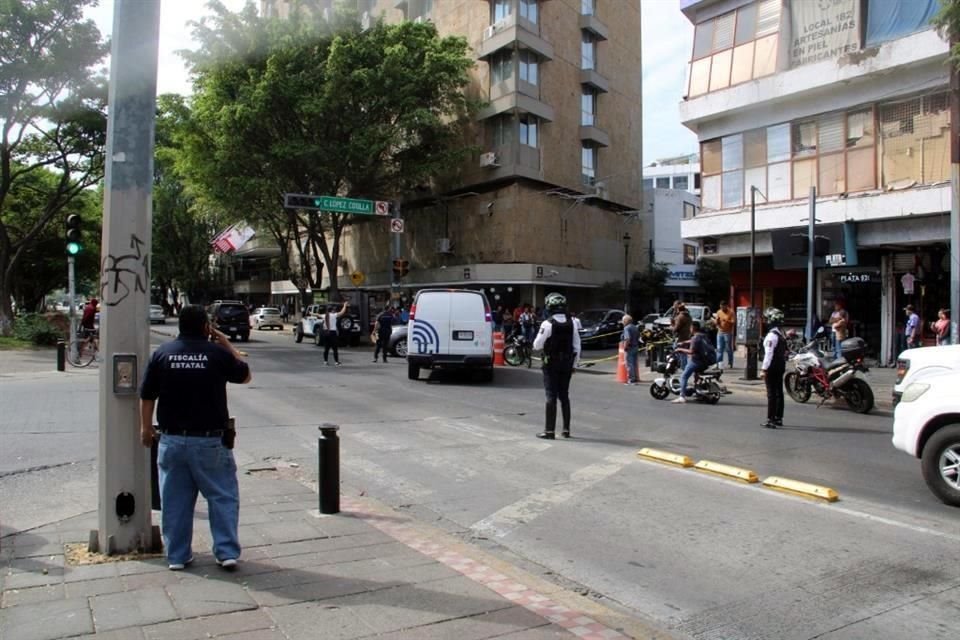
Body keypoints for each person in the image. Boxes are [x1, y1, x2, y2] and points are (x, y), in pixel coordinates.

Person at [138, 304, 251, 571]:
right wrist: (226, 345)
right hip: (210, 441)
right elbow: (245, 375)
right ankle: (225, 552)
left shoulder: (163, 354)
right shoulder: (216, 354)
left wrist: (145, 428)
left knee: (174, 500)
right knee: (222, 496)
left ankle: (177, 555)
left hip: (172, 440)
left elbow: (147, 395)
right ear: (206, 327)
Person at [532, 293, 581, 439]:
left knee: (551, 396)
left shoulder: (547, 324)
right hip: (566, 363)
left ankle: (549, 431)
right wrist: (574, 364)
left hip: (551, 364)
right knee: (564, 396)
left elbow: (536, 345)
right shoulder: (572, 323)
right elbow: (577, 346)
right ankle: (566, 430)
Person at [760, 307, 787, 429]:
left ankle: (770, 419)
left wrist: (764, 369)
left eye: (766, 319)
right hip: (780, 366)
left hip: (772, 367)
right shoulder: (780, 334)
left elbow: (768, 354)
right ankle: (778, 418)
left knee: (771, 394)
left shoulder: (771, 336)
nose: (765, 322)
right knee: (779, 392)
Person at [672, 320, 709, 403]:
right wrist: (684, 342)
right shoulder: (703, 336)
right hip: (704, 361)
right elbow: (694, 341)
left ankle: (682, 397)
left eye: (690, 328)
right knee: (696, 375)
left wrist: (680, 349)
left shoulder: (695, 338)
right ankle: (698, 393)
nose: (690, 329)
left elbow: (691, 351)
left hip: (696, 361)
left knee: (683, 376)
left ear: (693, 328)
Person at [322, 300, 350, 365]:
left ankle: (325, 361)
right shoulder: (334, 315)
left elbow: (317, 314)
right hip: (332, 333)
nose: (334, 310)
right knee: (335, 348)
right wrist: (344, 305)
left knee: (326, 348)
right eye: (333, 310)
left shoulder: (324, 315)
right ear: (332, 310)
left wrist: (311, 313)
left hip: (326, 332)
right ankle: (336, 362)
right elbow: (342, 312)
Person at [713, 300, 735, 369]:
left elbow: (733, 322)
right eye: (721, 307)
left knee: (728, 348)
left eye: (723, 307)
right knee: (719, 348)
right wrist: (716, 321)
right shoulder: (719, 312)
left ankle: (730, 362)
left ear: (726, 306)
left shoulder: (731, 312)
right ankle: (719, 363)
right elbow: (716, 322)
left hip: (728, 332)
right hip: (720, 332)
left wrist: (727, 320)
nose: (722, 308)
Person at [620, 314, 640, 385]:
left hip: (630, 347)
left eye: (623, 321)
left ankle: (631, 380)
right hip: (636, 346)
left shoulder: (627, 328)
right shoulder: (635, 327)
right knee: (634, 364)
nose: (622, 322)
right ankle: (635, 378)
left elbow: (627, 338)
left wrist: (625, 346)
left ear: (626, 321)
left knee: (629, 364)